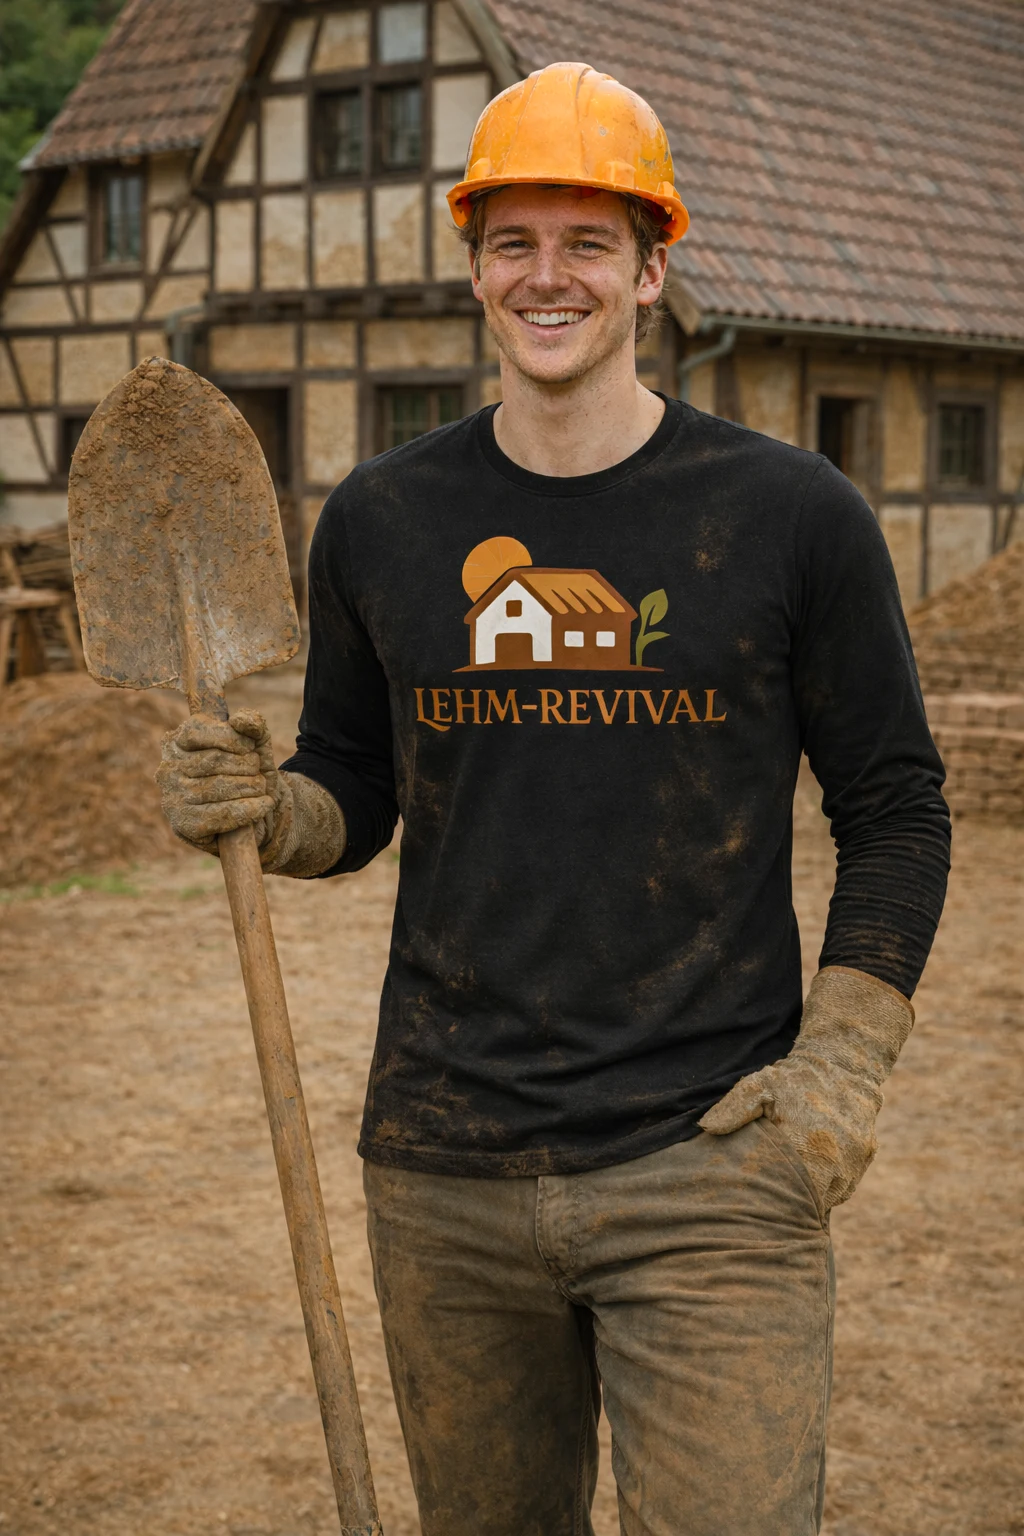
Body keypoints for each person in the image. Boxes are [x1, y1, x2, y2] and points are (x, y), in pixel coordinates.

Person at [157, 61, 950, 1536]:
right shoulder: (384, 520)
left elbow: (899, 809)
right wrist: (265, 814)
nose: (549, 275)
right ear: (473, 266)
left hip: (710, 1173)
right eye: (514, 240)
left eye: (589, 241)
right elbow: (350, 788)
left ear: (654, 266)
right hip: (442, 1177)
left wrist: (840, 1067)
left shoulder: (790, 518)